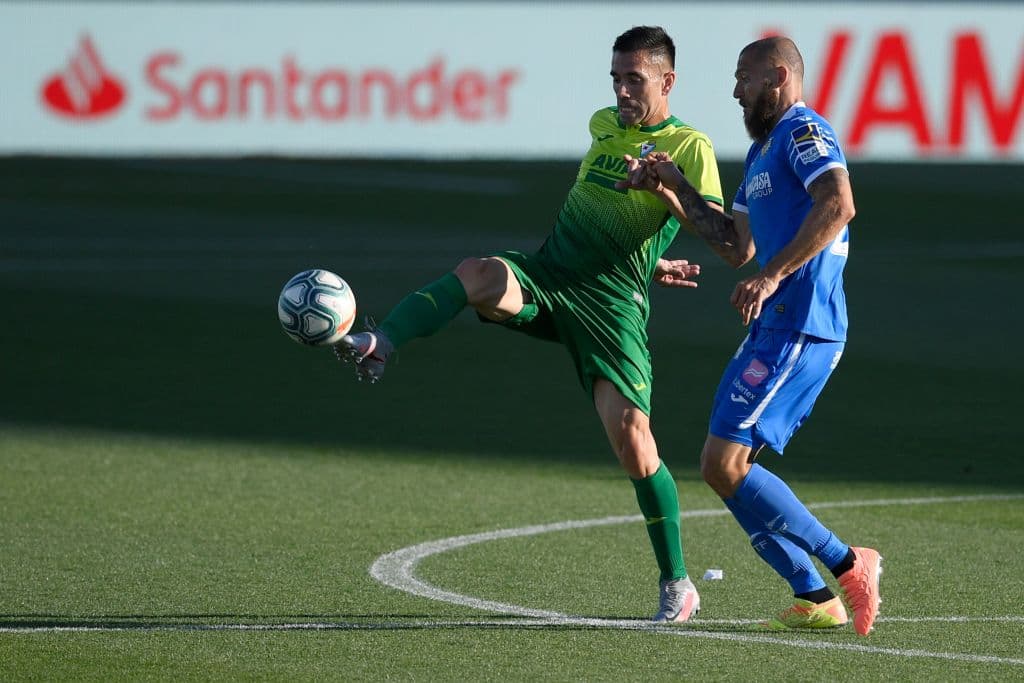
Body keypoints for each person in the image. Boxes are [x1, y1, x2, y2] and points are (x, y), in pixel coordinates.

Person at [336, 26, 724, 623]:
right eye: (616, 78)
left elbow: (712, 224)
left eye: (635, 79)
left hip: (611, 308)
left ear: (667, 81)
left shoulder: (689, 145)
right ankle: (382, 338)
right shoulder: (603, 126)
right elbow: (607, 220)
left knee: (633, 442)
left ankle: (678, 583)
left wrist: (664, 204)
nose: (622, 90)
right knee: (479, 273)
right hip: (549, 275)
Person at [616, 36, 882, 635]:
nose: (735, 89)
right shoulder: (763, 152)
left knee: (726, 460)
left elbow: (838, 204)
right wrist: (673, 187)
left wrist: (773, 275)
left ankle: (846, 563)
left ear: (779, 77)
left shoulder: (803, 132)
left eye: (744, 77)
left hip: (803, 324)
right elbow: (736, 247)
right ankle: (815, 594)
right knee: (719, 465)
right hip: (773, 325)